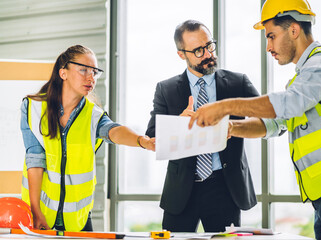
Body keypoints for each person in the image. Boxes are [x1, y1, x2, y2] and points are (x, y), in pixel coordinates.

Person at [189, 0, 321, 239]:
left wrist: (223, 107)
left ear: (293, 30)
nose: (268, 46)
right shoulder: (303, 81)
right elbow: (274, 125)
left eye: (271, 36)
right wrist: (230, 126)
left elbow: (289, 103)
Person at [20, 45, 155, 232]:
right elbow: (35, 159)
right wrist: (36, 211)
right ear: (63, 73)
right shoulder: (33, 108)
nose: (91, 77)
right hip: (39, 214)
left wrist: (143, 141)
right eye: (83, 70)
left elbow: (114, 131)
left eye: (94, 72)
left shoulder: (93, 115)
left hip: (78, 220)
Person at [146, 20, 264, 232]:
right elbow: (153, 138)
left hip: (225, 188)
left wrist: (233, 126)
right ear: (182, 54)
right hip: (181, 190)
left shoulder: (238, 83)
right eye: (199, 51)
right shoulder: (166, 89)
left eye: (210, 45)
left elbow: (269, 121)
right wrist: (178, 124)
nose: (208, 54)